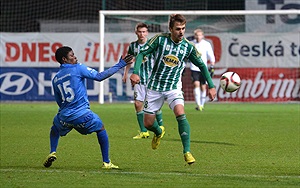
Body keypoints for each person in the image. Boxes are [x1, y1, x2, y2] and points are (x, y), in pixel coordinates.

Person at [130, 14, 216, 165]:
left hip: (173, 87)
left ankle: (187, 151)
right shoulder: (160, 40)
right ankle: (158, 132)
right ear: (170, 29)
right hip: (154, 87)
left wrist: (211, 85)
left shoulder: (188, 46)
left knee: (180, 113)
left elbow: (202, 65)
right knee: (148, 124)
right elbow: (142, 53)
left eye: (183, 28)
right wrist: (135, 72)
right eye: (178, 29)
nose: (181, 32)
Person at [43, 46, 133, 169]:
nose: (75, 57)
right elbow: (100, 76)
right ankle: (106, 162)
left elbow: (59, 101)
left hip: (64, 116)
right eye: (72, 55)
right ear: (64, 59)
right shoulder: (78, 68)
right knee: (100, 128)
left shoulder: (56, 78)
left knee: (55, 127)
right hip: (82, 115)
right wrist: (120, 64)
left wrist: (66, 115)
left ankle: (52, 151)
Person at [122, 22, 163, 139]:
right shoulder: (133, 46)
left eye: (144, 32)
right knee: (138, 104)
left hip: (152, 79)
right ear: (136, 33)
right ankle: (143, 131)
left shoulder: (153, 44)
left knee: (154, 105)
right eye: (140, 32)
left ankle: (161, 127)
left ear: (147, 33)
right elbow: (129, 60)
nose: (142, 34)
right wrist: (126, 73)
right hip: (139, 79)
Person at [190, 29, 215, 111]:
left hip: (203, 68)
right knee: (196, 84)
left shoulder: (206, 44)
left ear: (202, 36)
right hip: (194, 67)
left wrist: (212, 65)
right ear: (194, 36)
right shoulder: (192, 44)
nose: (198, 37)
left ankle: (202, 104)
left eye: (200, 35)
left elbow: (211, 55)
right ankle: (198, 104)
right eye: (197, 35)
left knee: (203, 87)